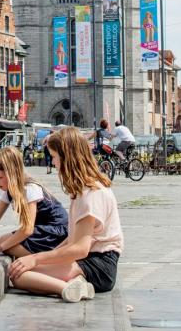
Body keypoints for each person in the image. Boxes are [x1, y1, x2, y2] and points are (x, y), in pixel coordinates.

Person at [9, 126, 123, 302]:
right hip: (93, 261)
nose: (53, 163)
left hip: (99, 265)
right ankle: (78, 283)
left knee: (19, 276)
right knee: (24, 272)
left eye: (54, 157)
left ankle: (67, 289)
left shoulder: (91, 194)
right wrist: (47, 257)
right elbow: (72, 239)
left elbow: (80, 249)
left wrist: (36, 259)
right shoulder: (84, 190)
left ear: (67, 158)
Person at [0, 146, 68, 258]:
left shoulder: (30, 189)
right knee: (3, 240)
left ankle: (51, 257)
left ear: (12, 174)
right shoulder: (10, 191)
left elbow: (27, 229)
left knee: (6, 245)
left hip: (56, 232)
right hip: (42, 231)